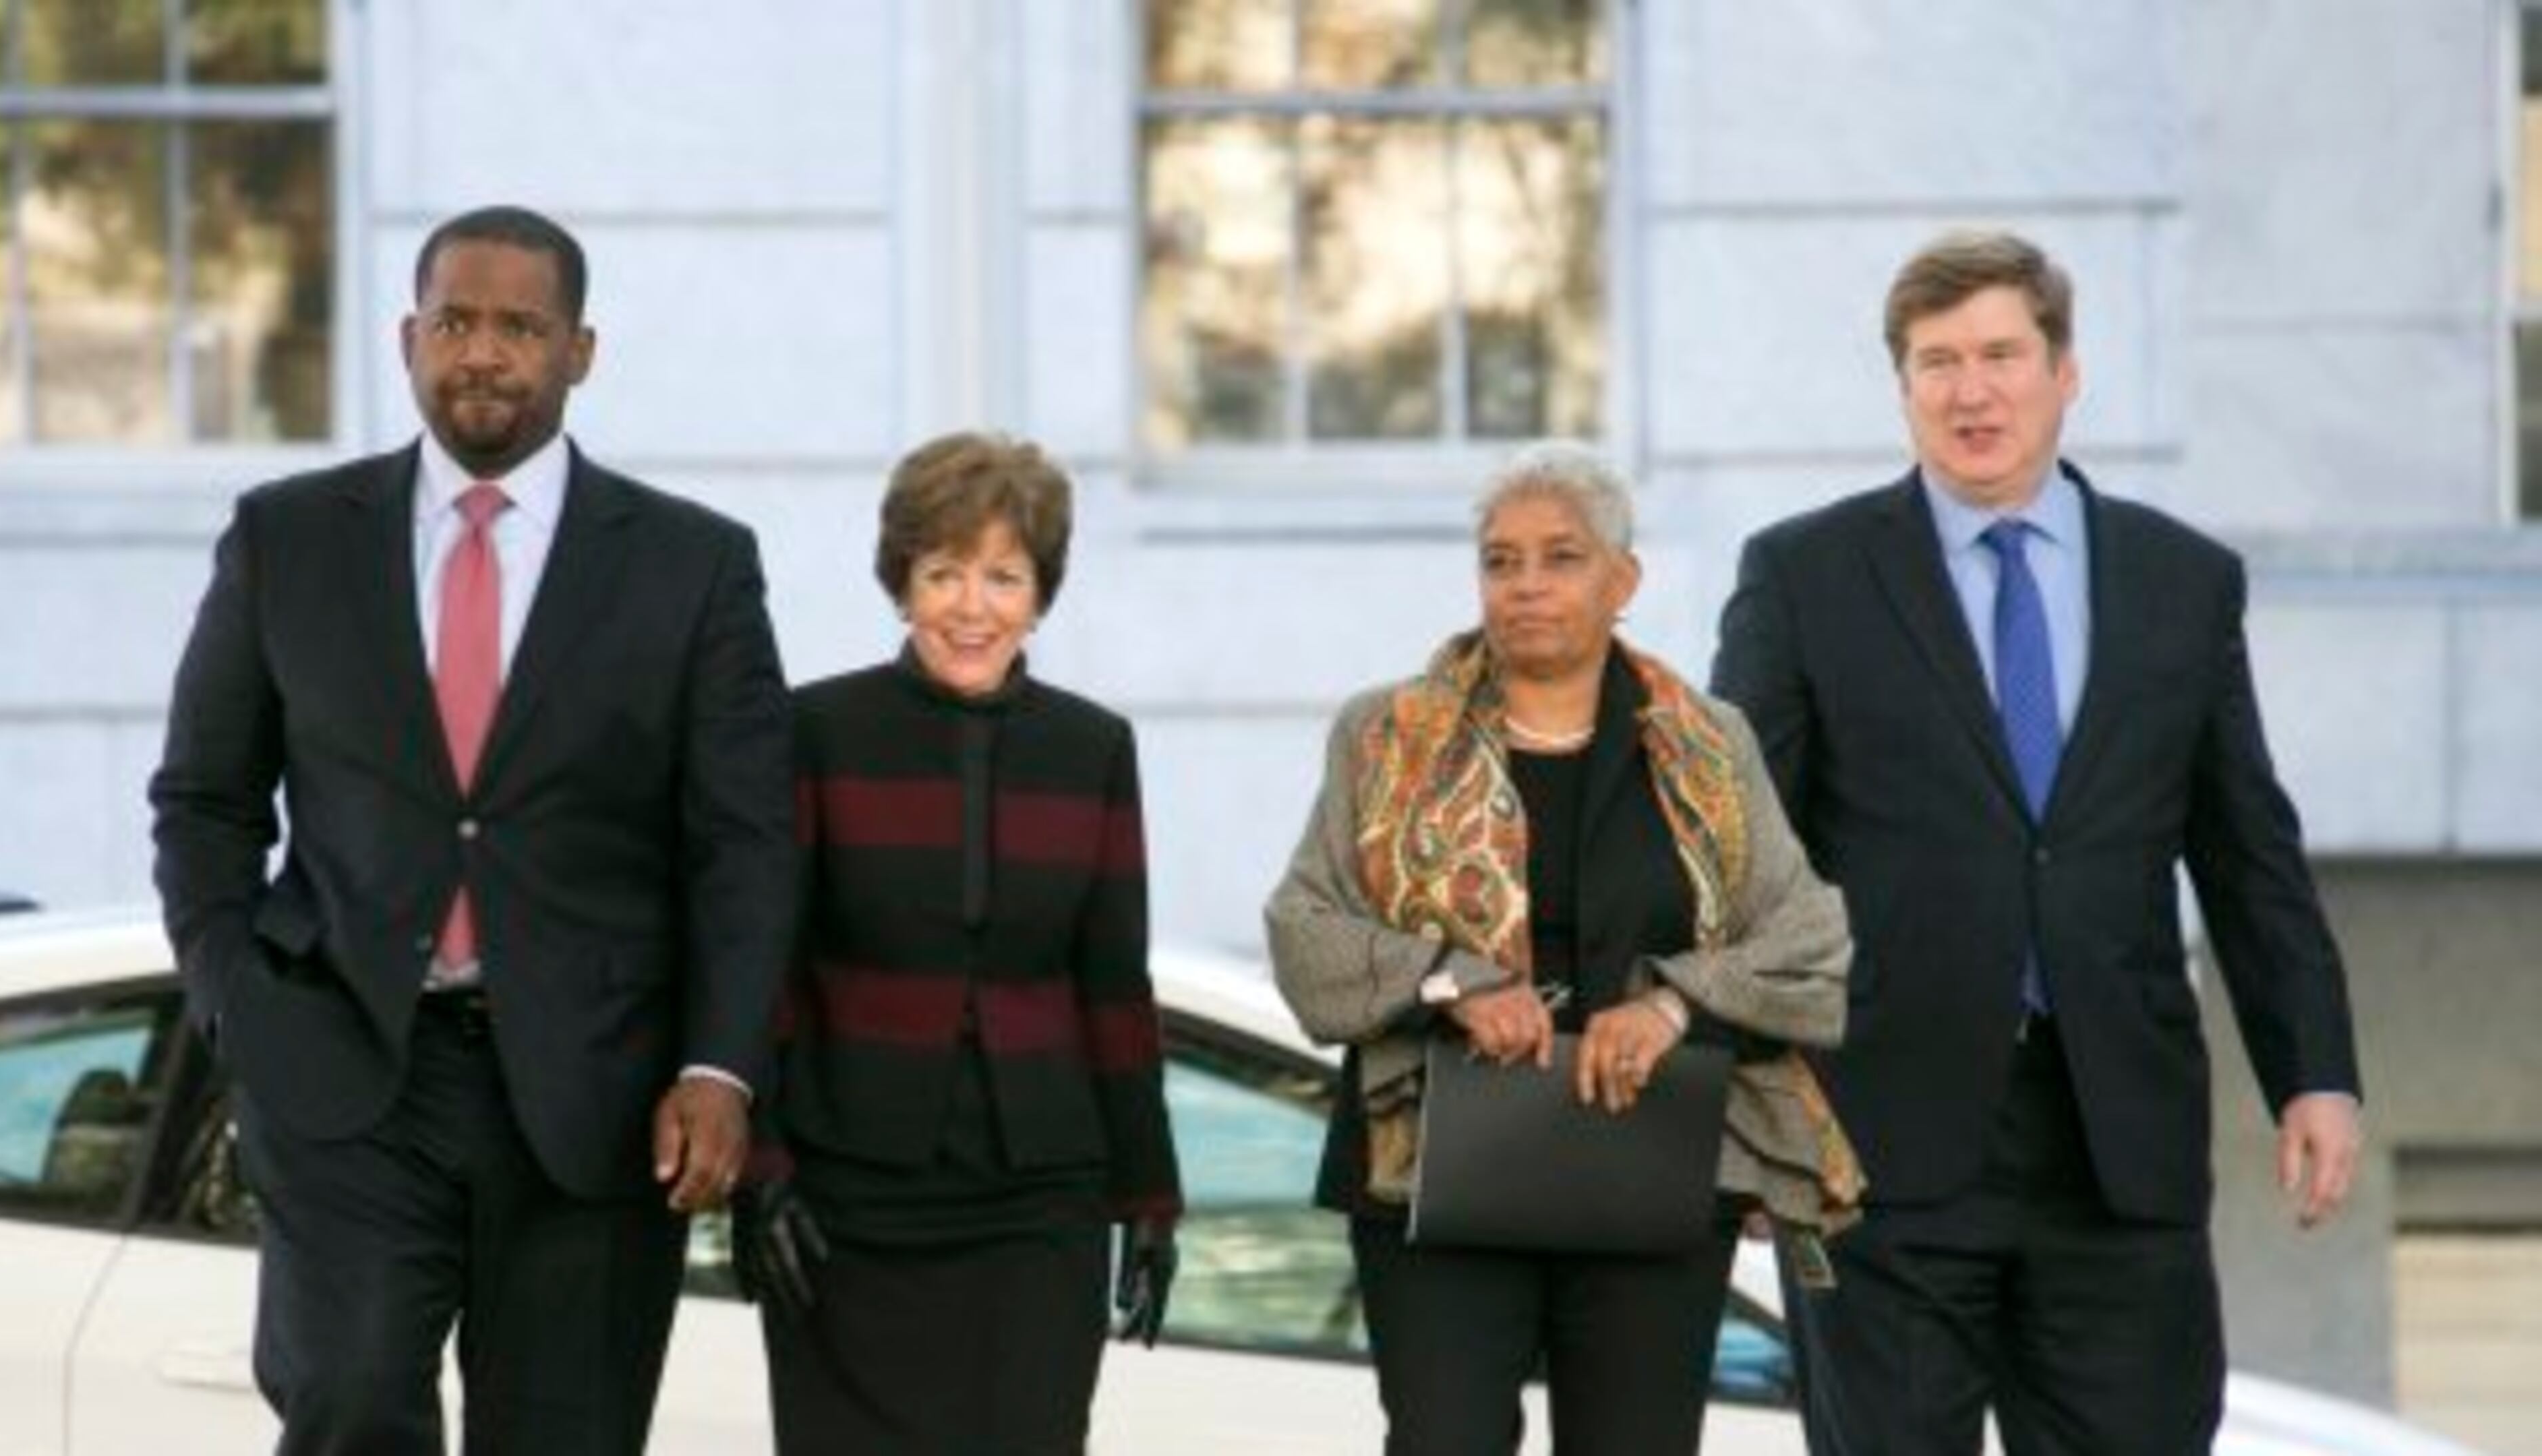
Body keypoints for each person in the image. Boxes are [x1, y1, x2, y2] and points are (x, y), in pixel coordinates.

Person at [148, 205, 795, 1454]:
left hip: (597, 1094)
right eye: (455, 322)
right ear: (408, 339)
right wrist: (237, 998)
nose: (483, 353)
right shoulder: (287, 539)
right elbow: (205, 800)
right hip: (347, 1073)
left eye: (519, 326)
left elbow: (745, 845)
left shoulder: (693, 566)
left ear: (580, 351)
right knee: (348, 1406)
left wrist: (720, 1067)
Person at [1711, 229, 2365, 1456]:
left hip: (2117, 1144)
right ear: (1902, 387)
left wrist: (2315, 1069)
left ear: (2065, 372)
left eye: (2002, 353)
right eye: (1936, 362)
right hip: (1875, 1148)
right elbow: (1736, 858)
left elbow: (2246, 853)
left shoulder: (2183, 581)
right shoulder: (1805, 575)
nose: (1972, 391)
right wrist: (1740, 1104)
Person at [1265, 441, 1863, 1456]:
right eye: (1502, 562)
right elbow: (1305, 927)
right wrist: (1451, 981)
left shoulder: (1709, 743)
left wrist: (1670, 1004)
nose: (1526, 586)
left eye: (1560, 557)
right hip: (1434, 1171)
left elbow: (1810, 939)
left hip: (1654, 1162)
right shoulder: (1385, 733)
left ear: (1623, 581)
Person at [730, 431, 1184, 1455]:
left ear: (1040, 593)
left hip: (1038, 1202)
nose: (972, 606)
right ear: (902, 583)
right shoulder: (816, 732)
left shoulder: (1094, 749)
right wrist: (761, 1169)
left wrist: (1150, 1198)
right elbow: (764, 965)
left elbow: (1114, 987)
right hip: (846, 1196)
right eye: (944, 573)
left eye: (1003, 576)